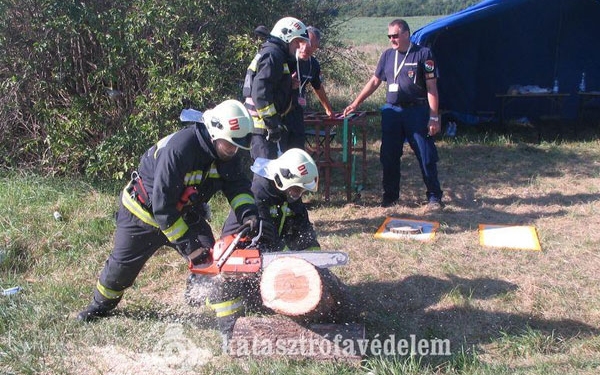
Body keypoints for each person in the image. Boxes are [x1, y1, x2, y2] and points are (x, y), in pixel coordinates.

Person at [77, 99, 270, 323]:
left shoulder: (226, 152)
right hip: (143, 214)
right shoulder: (181, 149)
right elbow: (163, 208)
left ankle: (227, 321)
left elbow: (237, 185)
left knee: (213, 262)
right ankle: (100, 306)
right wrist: (190, 247)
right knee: (121, 269)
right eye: (230, 145)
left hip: (186, 213)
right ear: (214, 133)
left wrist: (248, 212)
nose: (233, 150)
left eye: (237, 146)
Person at [343, 19, 444, 210]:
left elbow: (432, 87)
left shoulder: (423, 54)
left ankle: (434, 197)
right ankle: (390, 197)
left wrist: (433, 116)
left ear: (406, 34)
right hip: (392, 112)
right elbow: (374, 81)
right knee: (388, 155)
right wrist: (356, 102)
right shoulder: (388, 55)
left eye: (395, 36)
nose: (392, 40)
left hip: (416, 111)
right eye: (389, 36)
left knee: (425, 154)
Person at [242, 16, 310, 160]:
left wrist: (287, 83)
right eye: (297, 41)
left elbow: (268, 84)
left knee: (271, 176)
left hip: (264, 127)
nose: (298, 46)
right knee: (265, 176)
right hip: (262, 128)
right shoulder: (273, 56)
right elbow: (260, 93)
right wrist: (272, 125)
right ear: (286, 36)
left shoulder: (274, 54)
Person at [283, 26, 335, 151]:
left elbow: (318, 87)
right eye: (303, 42)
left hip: (297, 112)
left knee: (297, 149)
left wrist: (328, 109)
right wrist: (287, 82)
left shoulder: (313, 64)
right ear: (298, 41)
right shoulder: (285, 57)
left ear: (316, 47)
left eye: (311, 45)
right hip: (281, 112)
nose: (306, 48)